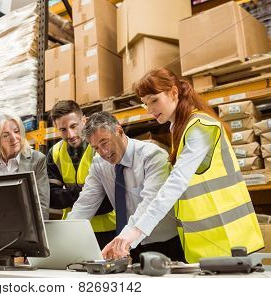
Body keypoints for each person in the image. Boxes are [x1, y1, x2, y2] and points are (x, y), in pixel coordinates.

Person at [110, 68, 264, 263]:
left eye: (154, 100)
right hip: (207, 244)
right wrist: (128, 235)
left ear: (174, 92)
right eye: (145, 104)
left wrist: (135, 234)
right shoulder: (180, 129)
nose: (149, 109)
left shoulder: (199, 128)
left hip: (230, 241)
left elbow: (176, 184)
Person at [67, 111, 185, 263]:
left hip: (164, 245)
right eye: (96, 148)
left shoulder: (152, 156)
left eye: (105, 142)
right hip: (128, 247)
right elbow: (85, 204)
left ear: (119, 131)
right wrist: (64, 238)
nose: (103, 152)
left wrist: (125, 239)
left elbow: (150, 203)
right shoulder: (99, 164)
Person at [47, 101, 116, 249]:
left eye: (73, 126)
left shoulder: (101, 148)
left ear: (84, 120)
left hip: (108, 230)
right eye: (63, 130)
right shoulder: (55, 153)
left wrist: (67, 196)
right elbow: (52, 198)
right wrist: (87, 193)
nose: (70, 134)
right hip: (74, 229)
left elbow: (108, 201)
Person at [0, 111, 50, 220]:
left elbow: (42, 206)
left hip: (25, 228)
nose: (14, 138)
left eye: (16, 131)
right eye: (6, 135)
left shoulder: (37, 160)